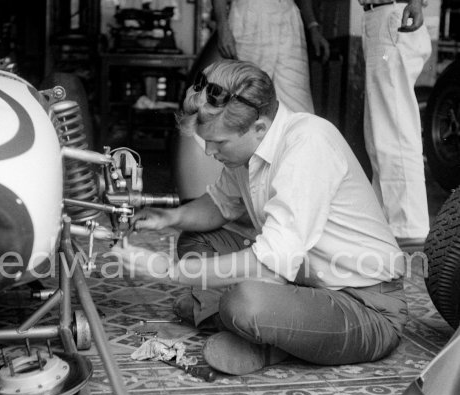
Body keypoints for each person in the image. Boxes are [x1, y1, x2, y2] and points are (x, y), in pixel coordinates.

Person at [113, 60, 407, 375]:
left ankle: (257, 332)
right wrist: (167, 218)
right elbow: (219, 205)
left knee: (245, 304)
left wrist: (167, 270)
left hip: (367, 307)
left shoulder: (308, 143)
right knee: (197, 239)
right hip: (306, 283)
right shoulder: (248, 150)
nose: (210, 151)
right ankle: (261, 323)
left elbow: (269, 265)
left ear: (260, 128)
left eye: (219, 142)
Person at [360, 0, 432, 248]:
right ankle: (388, 227)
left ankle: (409, 230)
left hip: (394, 14)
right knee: (378, 135)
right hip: (379, 16)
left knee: (394, 130)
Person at [212, 0, 329, 113]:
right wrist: (222, 28)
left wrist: (313, 26)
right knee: (245, 99)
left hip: (289, 19)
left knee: (298, 104)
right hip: (249, 17)